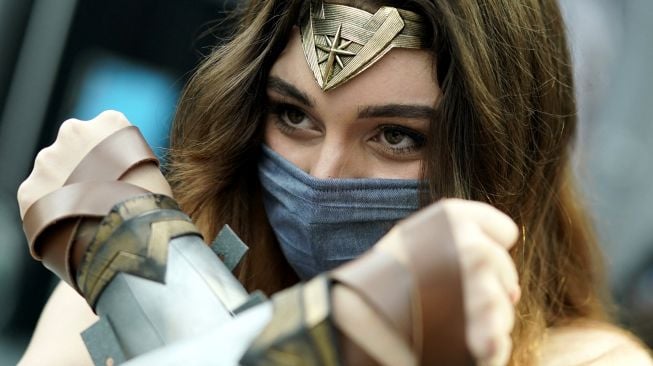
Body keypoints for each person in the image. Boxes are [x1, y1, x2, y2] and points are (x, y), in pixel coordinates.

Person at [16, 0, 653, 365]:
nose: (323, 177)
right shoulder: (105, 296)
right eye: (294, 116)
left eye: (396, 135)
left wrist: (155, 281)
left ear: (498, 160)